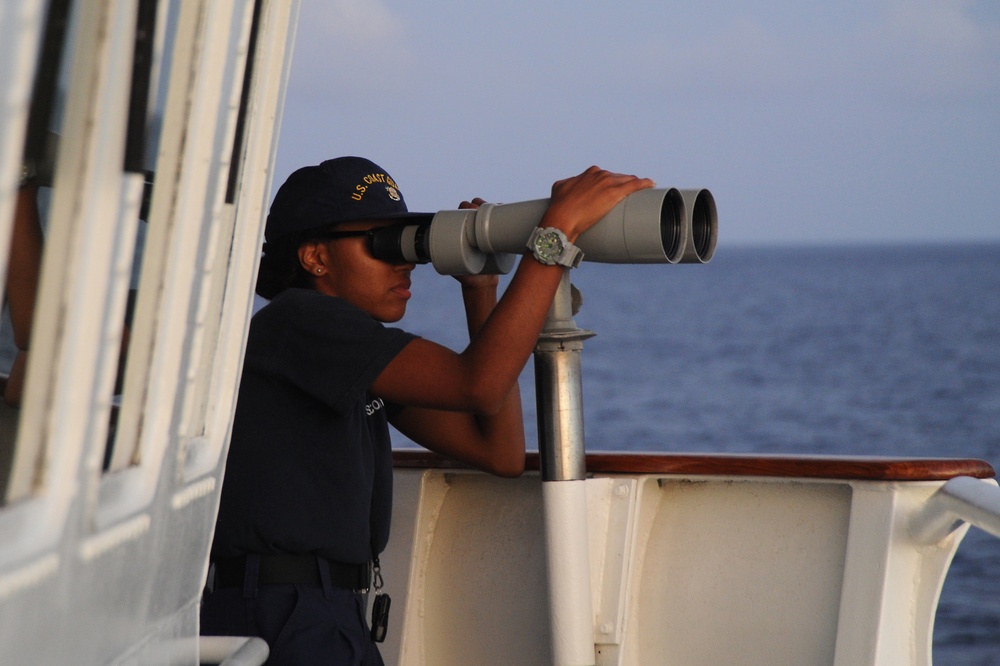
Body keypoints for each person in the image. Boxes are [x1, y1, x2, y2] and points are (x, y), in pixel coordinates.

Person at [200, 156, 654, 665]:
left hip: (321, 613)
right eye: (380, 242)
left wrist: (480, 288)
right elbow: (477, 385)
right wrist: (554, 234)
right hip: (287, 614)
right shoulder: (299, 320)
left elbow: (498, 451)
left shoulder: (339, 357)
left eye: (406, 240)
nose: (405, 261)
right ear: (315, 258)